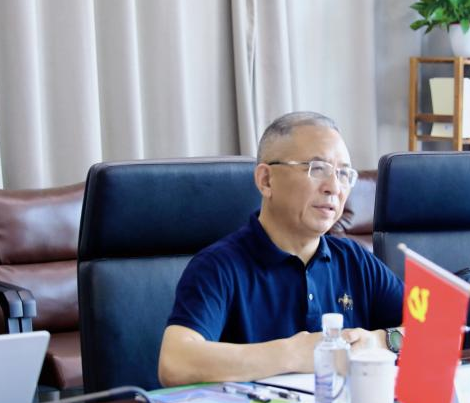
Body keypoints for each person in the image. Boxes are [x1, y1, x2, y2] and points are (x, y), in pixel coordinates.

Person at [158, 112, 404, 386]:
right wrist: (291, 354)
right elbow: (175, 363)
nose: (334, 187)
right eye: (317, 169)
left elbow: (432, 329)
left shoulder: (354, 259)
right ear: (266, 180)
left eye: (344, 174)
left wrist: (381, 341)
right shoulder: (218, 266)